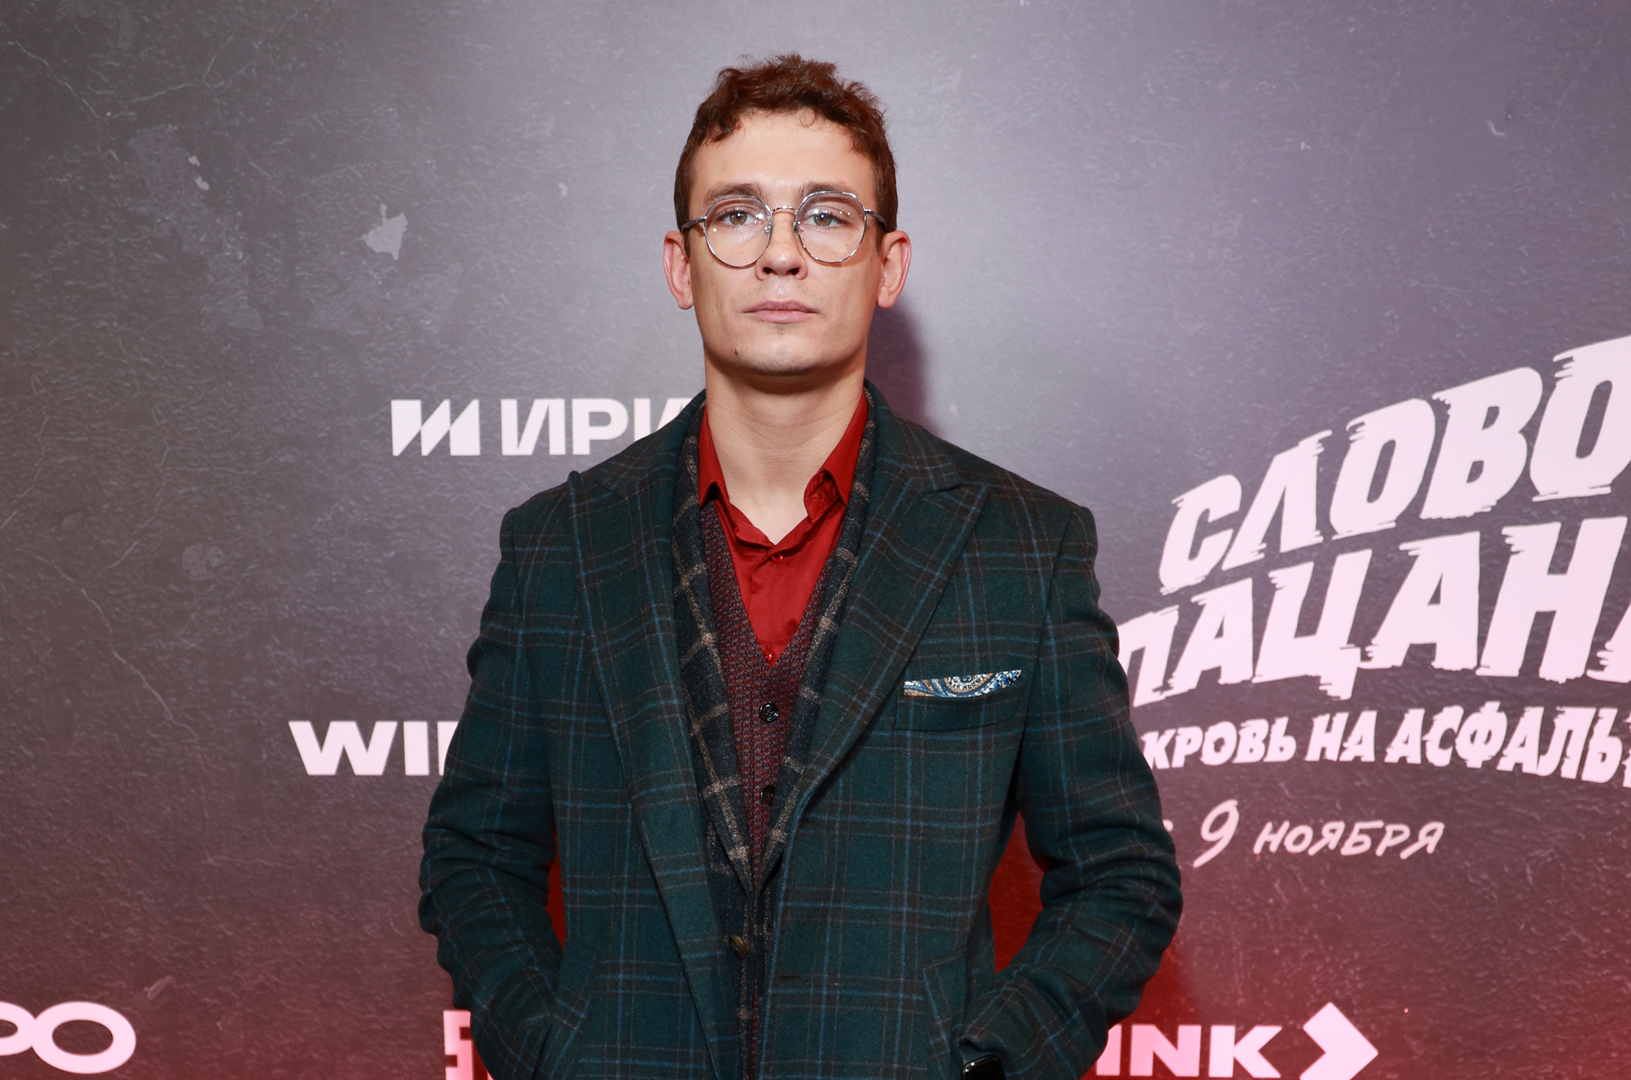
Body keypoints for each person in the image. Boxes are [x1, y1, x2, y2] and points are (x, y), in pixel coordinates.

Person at [419, 54, 1181, 1080]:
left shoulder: (1020, 547)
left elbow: (1119, 874)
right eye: (736, 216)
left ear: (888, 264)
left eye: (826, 216)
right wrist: (557, 1055)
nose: (781, 255)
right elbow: (474, 857)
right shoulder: (560, 545)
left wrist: (989, 1067)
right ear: (681, 266)